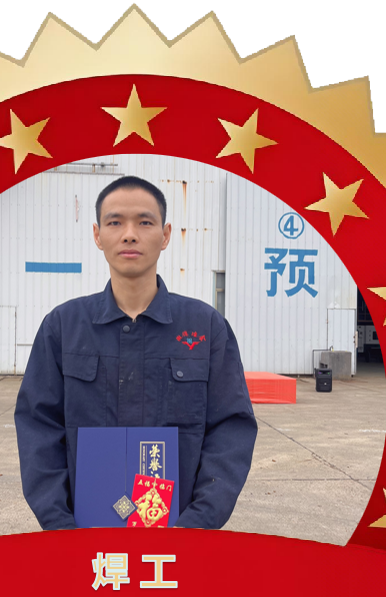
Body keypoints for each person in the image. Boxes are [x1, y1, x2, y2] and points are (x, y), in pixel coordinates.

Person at [14, 175, 257, 530]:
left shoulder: (205, 326)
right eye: (115, 222)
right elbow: (38, 427)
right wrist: (61, 527)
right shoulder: (64, 327)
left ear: (166, 235)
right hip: (83, 538)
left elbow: (230, 430)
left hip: (179, 538)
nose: (129, 234)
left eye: (145, 222)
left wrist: (195, 525)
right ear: (97, 235)